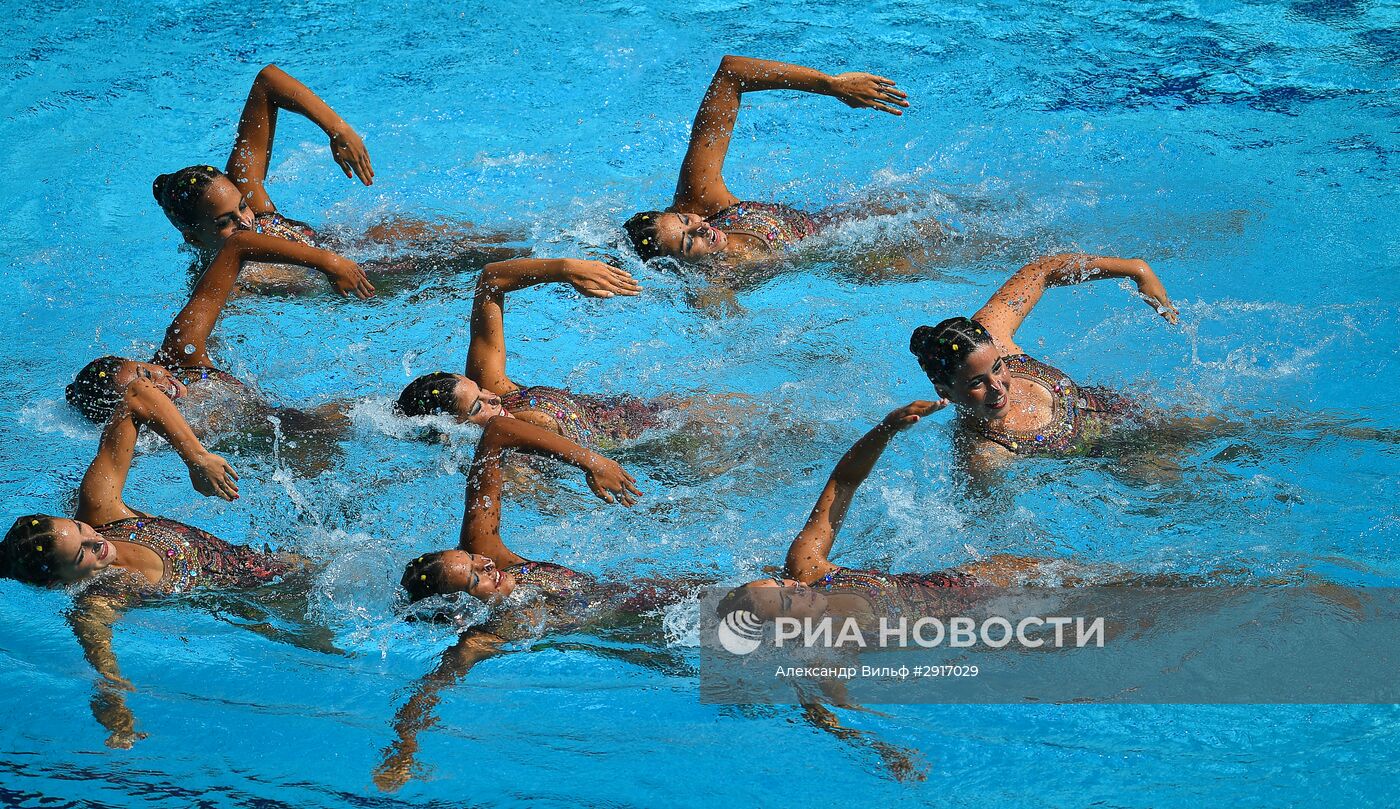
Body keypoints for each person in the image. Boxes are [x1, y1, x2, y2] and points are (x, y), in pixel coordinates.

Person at [1, 377, 300, 748]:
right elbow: (103, 667)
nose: (98, 540)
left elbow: (137, 395)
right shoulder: (99, 601)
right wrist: (118, 717)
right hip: (266, 607)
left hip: (279, 563)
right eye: (83, 553)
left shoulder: (103, 510)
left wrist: (197, 458)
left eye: (80, 528)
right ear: (58, 583)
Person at [152, 64, 519, 296]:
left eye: (242, 207)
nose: (245, 221)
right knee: (483, 269)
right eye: (225, 223)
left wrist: (337, 129)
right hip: (370, 278)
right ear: (192, 236)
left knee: (510, 240)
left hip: (358, 242)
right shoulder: (221, 280)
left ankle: (567, 248)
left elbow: (267, 82)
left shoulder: (246, 202)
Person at [67, 231, 360, 454]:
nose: (157, 387)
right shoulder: (149, 441)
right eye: (141, 392)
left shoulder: (181, 354)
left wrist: (327, 261)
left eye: (146, 374)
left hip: (317, 423)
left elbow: (237, 246)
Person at [621, 55, 908, 269]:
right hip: (858, 265)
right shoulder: (717, 280)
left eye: (685, 221)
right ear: (676, 265)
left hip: (851, 223)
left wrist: (832, 84)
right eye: (687, 242)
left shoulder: (701, 201)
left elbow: (730, 72)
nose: (700, 227)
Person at [908, 254, 1178, 476]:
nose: (997, 387)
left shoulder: (988, 335)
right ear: (945, 392)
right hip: (1121, 462)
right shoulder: (983, 454)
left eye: (998, 367)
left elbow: (1041, 271)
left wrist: (1136, 269)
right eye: (976, 382)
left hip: (1138, 413)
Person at [395, 257, 676, 448]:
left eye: (480, 391)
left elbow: (491, 280)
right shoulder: (512, 465)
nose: (492, 398)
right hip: (660, 446)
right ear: (449, 432)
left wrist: (565, 269)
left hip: (656, 411)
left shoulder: (497, 389)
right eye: (477, 407)